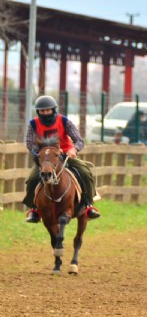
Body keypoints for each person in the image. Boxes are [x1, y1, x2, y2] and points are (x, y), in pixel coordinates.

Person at [23, 95, 101, 223]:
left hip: (65, 156)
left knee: (85, 172)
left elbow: (79, 140)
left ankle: (88, 205)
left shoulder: (64, 121)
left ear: (53, 110)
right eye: (42, 111)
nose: (45, 113)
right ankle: (34, 209)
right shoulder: (33, 124)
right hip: (45, 159)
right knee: (32, 179)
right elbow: (30, 144)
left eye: (48, 110)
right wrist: (39, 154)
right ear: (38, 112)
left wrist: (74, 149)